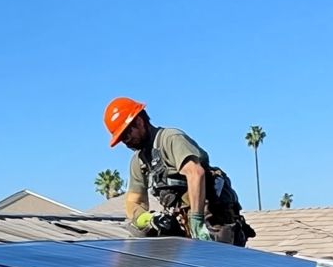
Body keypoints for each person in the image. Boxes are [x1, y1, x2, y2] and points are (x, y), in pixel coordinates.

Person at [103, 97, 254, 246]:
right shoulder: (139, 161)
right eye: (121, 138)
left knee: (218, 259)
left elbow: (195, 173)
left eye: (126, 134)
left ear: (139, 122)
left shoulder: (170, 139)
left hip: (212, 217)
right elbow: (134, 203)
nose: (125, 141)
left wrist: (197, 221)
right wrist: (150, 218)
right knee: (139, 232)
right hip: (183, 222)